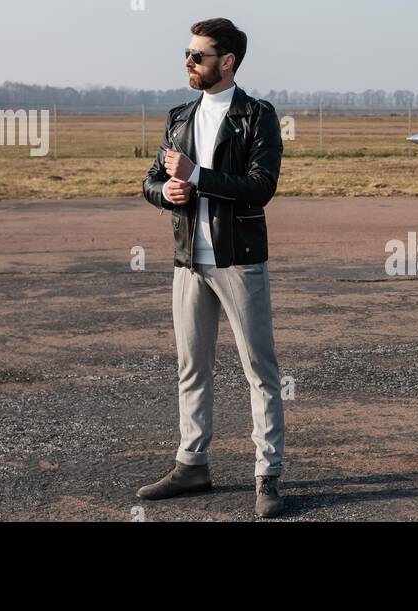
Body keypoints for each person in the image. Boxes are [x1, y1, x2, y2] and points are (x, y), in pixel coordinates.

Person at [138, 17, 287, 518]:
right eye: (187, 52)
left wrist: (197, 176)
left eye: (198, 55)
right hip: (188, 262)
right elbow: (151, 181)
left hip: (238, 261)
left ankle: (266, 477)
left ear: (227, 62)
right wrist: (167, 194)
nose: (188, 61)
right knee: (191, 368)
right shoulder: (179, 116)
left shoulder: (256, 116)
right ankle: (191, 465)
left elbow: (261, 186)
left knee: (260, 372)